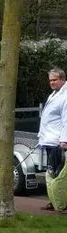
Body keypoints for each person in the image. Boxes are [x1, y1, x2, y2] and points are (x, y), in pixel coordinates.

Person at [38, 68, 67, 211]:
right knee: (52, 173)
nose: (52, 83)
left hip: (58, 142)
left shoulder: (65, 95)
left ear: (62, 79)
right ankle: (54, 200)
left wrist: (64, 140)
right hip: (49, 140)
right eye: (50, 80)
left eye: (54, 80)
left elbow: (66, 120)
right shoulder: (54, 94)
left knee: (60, 175)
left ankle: (63, 203)